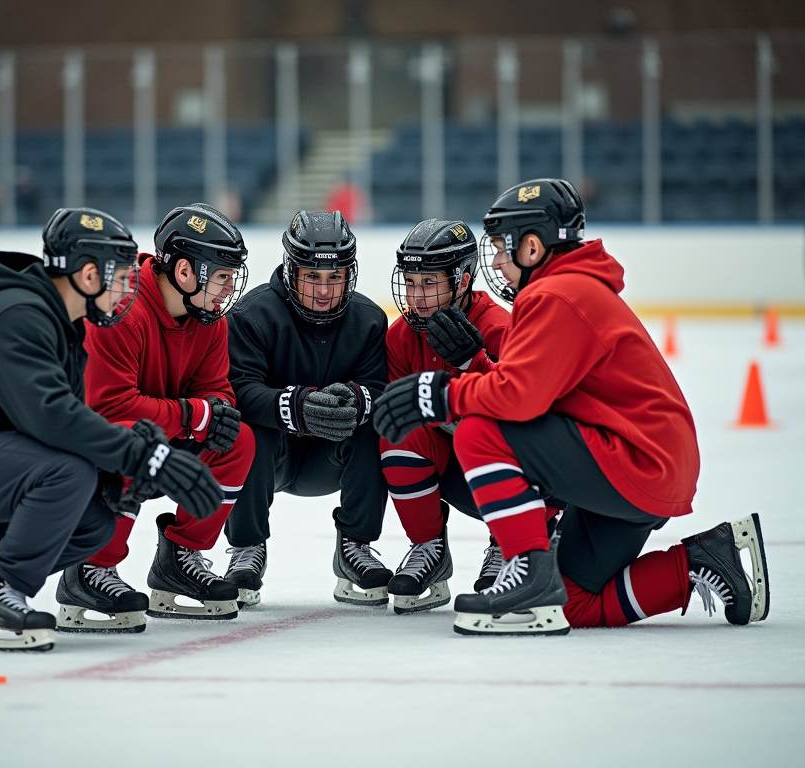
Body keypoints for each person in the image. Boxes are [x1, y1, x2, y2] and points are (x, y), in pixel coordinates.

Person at [374, 179, 770, 636]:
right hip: (644, 461)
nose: (497, 261)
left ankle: (525, 566)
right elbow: (537, 389)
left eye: (504, 247)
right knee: (571, 604)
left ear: (534, 246)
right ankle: (701, 561)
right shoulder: (569, 288)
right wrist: (477, 366)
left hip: (633, 460)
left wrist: (439, 393)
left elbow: (518, 399)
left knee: (480, 432)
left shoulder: (556, 294)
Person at [0, 208, 223, 651]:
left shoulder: (66, 329)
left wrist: (116, 477)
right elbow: (51, 417)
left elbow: (67, 425)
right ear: (88, 273)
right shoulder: (18, 314)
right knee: (68, 473)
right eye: (120, 277)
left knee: (94, 521)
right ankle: (1, 596)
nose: (127, 289)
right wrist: (146, 456)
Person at [57, 203, 255, 626]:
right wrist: (193, 415)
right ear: (185, 271)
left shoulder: (209, 320)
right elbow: (108, 409)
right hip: (89, 445)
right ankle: (90, 567)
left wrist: (212, 414)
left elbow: (216, 393)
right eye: (221, 277)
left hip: (161, 432)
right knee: (133, 441)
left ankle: (179, 559)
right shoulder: (120, 310)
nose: (228, 289)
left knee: (239, 441)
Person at [223, 210, 390, 606]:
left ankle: (355, 546)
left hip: (328, 461)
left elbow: (381, 389)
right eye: (312, 276)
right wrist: (295, 406)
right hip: (272, 459)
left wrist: (358, 400)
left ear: (349, 274)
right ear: (291, 270)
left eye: (334, 278)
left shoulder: (369, 319)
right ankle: (247, 549)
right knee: (246, 430)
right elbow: (238, 390)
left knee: (374, 425)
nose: (323, 290)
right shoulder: (252, 314)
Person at [379, 219, 510, 614]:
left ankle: (509, 545)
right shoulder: (400, 336)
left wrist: (475, 366)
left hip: (507, 472)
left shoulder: (500, 329)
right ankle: (429, 548)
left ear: (464, 279)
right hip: (452, 467)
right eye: (411, 282)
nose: (417, 297)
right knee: (396, 432)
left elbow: (526, 414)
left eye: (430, 283)